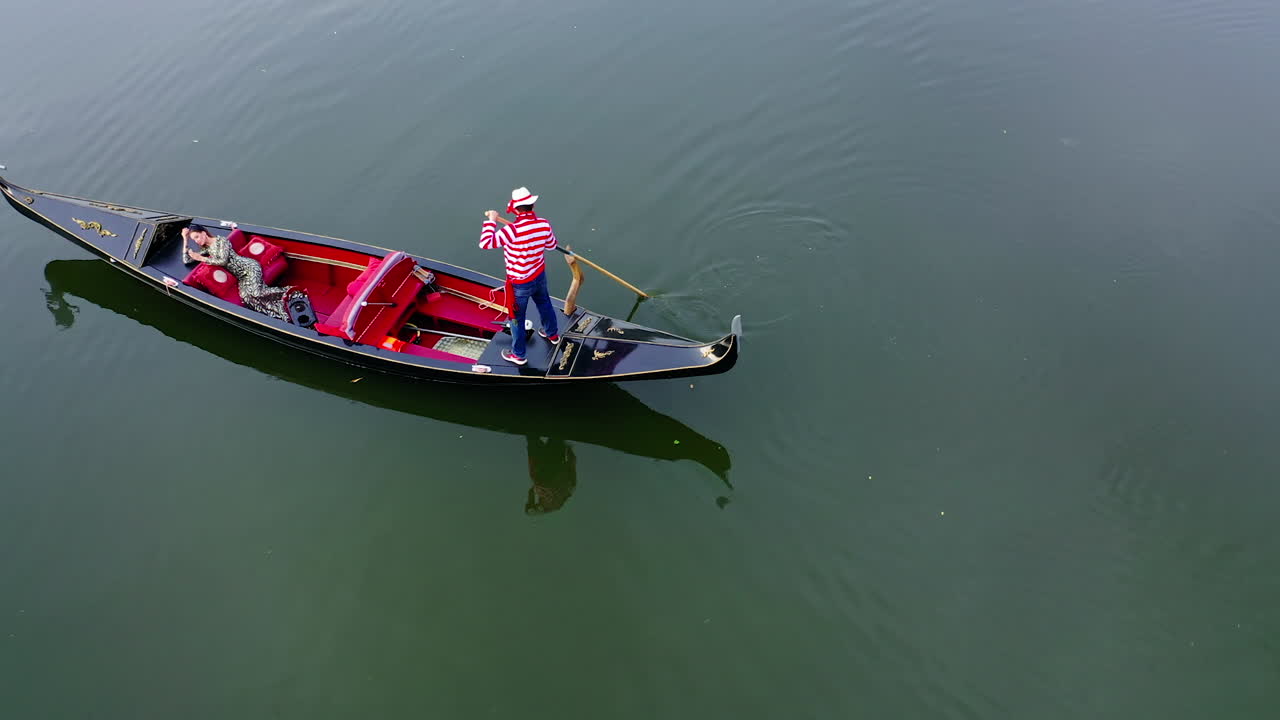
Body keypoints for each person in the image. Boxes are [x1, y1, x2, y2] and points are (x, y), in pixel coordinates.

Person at [479, 186, 561, 365]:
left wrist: (492, 220)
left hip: (520, 284)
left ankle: (518, 355)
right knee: (545, 303)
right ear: (532, 205)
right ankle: (552, 334)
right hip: (539, 275)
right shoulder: (543, 224)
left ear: (515, 209)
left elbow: (485, 243)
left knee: (516, 318)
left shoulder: (511, 231)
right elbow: (552, 245)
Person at [183, 223, 306, 321]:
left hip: (249, 267)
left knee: (257, 292)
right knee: (247, 298)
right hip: (241, 277)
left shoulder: (221, 241)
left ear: (204, 233)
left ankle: (292, 293)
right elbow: (186, 260)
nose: (197, 241)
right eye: (194, 240)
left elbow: (223, 261)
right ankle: (280, 312)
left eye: (197, 237)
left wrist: (202, 258)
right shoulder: (207, 249)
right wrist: (185, 239)